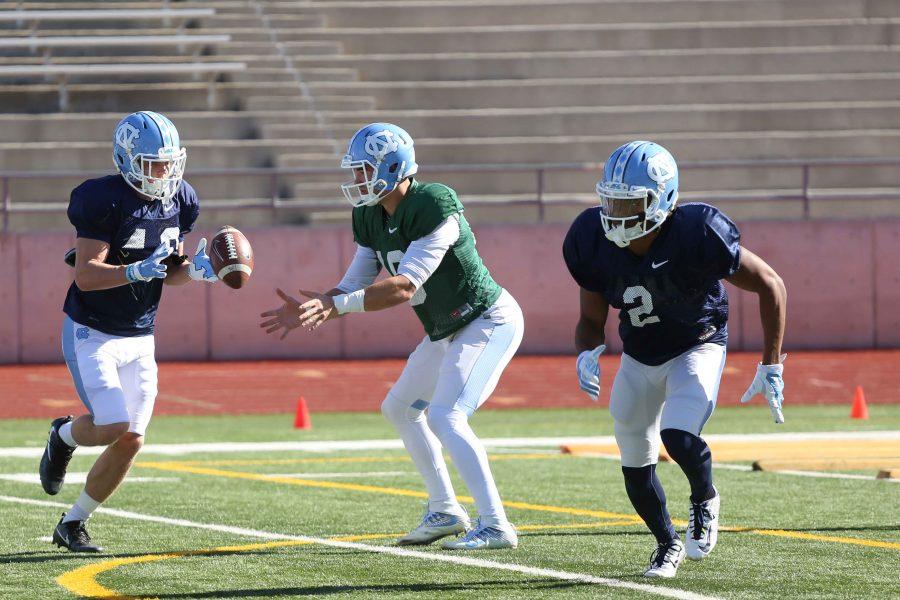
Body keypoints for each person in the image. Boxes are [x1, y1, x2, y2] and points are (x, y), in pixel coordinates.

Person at [260, 123, 524, 550]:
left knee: (446, 417)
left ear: (394, 166)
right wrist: (316, 307)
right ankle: (444, 509)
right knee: (399, 409)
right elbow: (353, 285)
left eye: (364, 169)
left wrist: (335, 306)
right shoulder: (368, 213)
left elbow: (403, 287)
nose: (357, 180)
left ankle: (495, 525)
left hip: (486, 319)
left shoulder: (433, 202)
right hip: (444, 331)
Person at [562, 140, 787, 578]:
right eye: (611, 200)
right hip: (639, 354)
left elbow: (771, 284)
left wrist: (771, 362)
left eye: (629, 203)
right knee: (633, 453)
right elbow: (590, 316)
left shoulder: (697, 232)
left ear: (661, 200)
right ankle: (667, 545)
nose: (616, 213)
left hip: (696, 344)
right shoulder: (591, 239)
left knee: (678, 435)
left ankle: (704, 497)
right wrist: (586, 350)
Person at [39, 111, 219, 553]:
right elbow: (86, 275)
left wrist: (194, 273)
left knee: (132, 439)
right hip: (92, 331)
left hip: (140, 335)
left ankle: (73, 523)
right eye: (152, 163)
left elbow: (167, 274)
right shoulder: (103, 199)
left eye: (169, 162)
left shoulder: (181, 199)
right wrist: (136, 269)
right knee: (112, 423)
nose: (164, 172)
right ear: (125, 159)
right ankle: (62, 436)